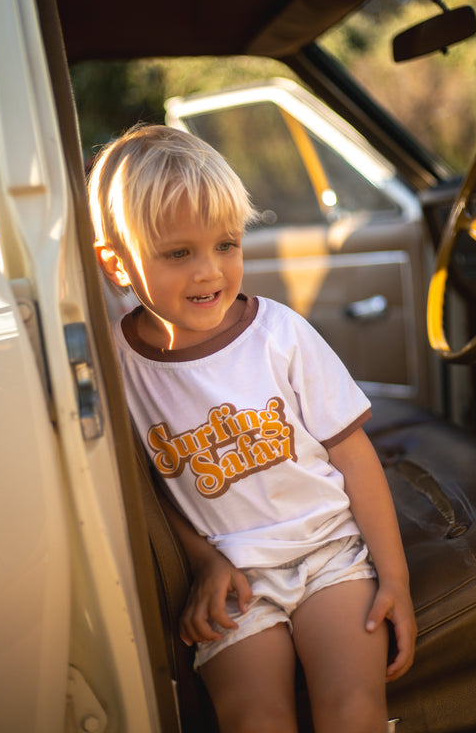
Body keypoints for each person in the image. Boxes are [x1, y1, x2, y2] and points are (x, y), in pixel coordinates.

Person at [89, 124, 417, 733]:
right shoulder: (117, 369)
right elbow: (155, 491)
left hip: (328, 556)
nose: (209, 272)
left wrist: (394, 576)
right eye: (178, 253)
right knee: (252, 718)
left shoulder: (281, 335)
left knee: (352, 709)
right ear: (116, 263)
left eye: (227, 244)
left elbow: (353, 456)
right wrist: (203, 562)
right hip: (237, 579)